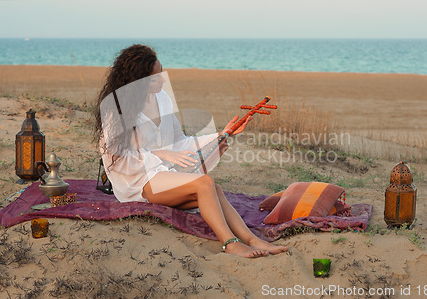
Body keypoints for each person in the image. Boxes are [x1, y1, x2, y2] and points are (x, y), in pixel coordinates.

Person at [94, 44, 288, 258]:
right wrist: (158, 155)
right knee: (205, 182)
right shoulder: (116, 111)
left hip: (162, 174)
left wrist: (222, 135)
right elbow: (118, 161)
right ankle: (230, 243)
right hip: (136, 181)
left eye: (161, 72)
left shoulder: (163, 100)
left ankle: (252, 239)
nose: (162, 80)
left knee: (214, 189)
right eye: (154, 78)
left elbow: (180, 142)